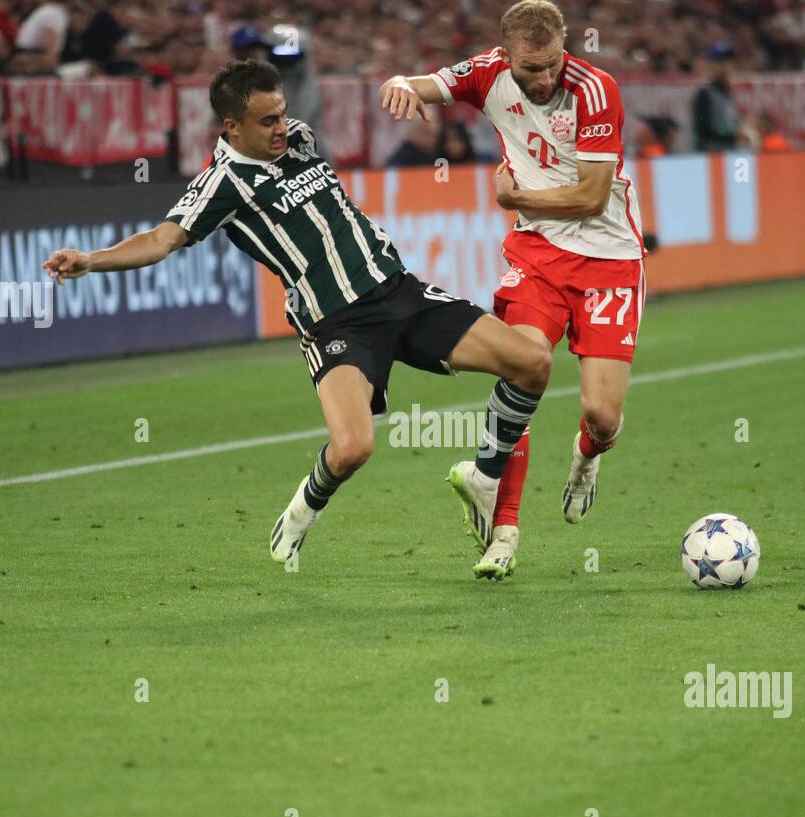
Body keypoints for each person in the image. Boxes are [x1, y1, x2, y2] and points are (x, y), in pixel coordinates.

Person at [43, 61, 551, 569]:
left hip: (400, 294)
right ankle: (304, 508)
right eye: (266, 121)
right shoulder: (223, 183)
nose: (281, 127)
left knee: (531, 362)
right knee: (353, 447)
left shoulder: (300, 139)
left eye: (282, 114)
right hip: (336, 325)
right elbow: (161, 240)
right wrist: (91, 260)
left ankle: (484, 479)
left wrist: (406, 90)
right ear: (231, 127)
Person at [378, 0, 644, 579]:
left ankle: (586, 459)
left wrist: (514, 198)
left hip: (608, 261)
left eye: (552, 64)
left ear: (565, 46)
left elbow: (591, 196)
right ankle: (503, 531)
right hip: (539, 257)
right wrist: (400, 83)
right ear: (508, 56)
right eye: (531, 69)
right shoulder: (486, 74)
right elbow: (424, 83)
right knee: (523, 368)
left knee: (601, 415)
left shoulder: (596, 92)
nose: (544, 78)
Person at [692, 42, 738, 152]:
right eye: (721, 62)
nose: (726, 66)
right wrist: (734, 135)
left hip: (726, 154)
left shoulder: (727, 92)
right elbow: (703, 130)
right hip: (710, 157)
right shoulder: (705, 93)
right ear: (711, 65)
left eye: (729, 61)